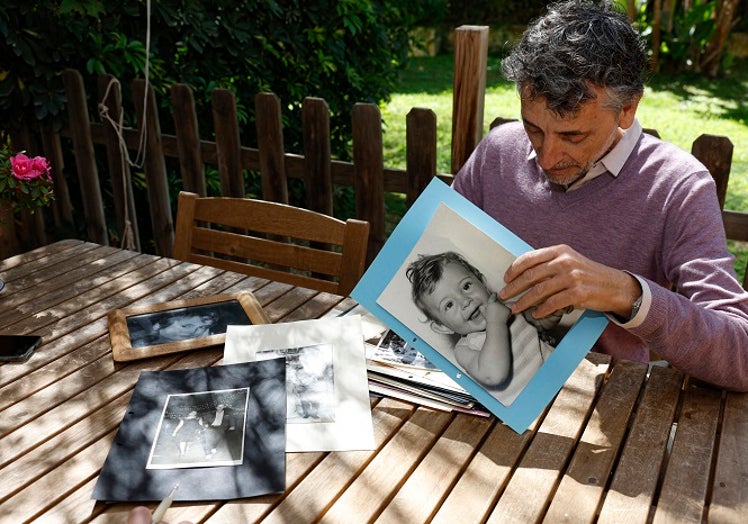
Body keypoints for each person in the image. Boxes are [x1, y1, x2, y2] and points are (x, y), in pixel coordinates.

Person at [452, 0, 748, 390]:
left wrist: (628, 294)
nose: (547, 157)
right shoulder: (498, 151)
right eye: (534, 129)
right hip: (474, 390)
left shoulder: (678, 186)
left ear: (627, 108)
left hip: (598, 409)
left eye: (573, 136)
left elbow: (740, 356)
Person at [407, 251, 564, 405]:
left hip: (562, 376)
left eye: (466, 286)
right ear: (442, 327)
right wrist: (496, 323)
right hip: (532, 406)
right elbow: (493, 375)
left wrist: (551, 313)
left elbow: (539, 324)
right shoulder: (465, 349)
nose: (465, 301)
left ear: (482, 282)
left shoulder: (508, 309)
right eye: (449, 304)